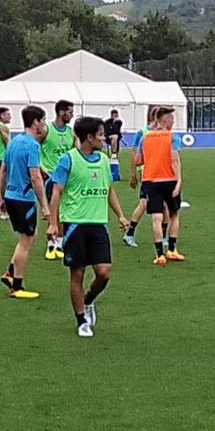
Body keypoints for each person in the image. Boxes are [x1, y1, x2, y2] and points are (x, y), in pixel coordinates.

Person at [48, 116, 128, 337]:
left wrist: (120, 215)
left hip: (99, 224)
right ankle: (81, 320)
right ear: (89, 137)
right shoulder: (68, 160)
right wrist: (53, 223)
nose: (104, 138)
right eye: (100, 134)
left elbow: (108, 189)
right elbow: (56, 192)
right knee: (78, 273)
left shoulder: (103, 160)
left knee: (104, 273)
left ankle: (88, 300)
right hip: (75, 224)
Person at [0, 105, 50, 299]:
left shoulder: (14, 142)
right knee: (26, 241)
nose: (44, 124)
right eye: (43, 120)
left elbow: (3, 171)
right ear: (35, 122)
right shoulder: (33, 145)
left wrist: (2, 195)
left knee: (30, 235)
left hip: (11, 196)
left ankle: (10, 273)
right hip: (24, 199)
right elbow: (35, 177)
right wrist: (44, 206)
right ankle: (16, 286)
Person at [137, 107, 184, 266]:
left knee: (156, 217)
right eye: (171, 119)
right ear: (164, 120)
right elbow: (174, 159)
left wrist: (153, 159)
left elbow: (138, 160)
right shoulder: (172, 137)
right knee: (174, 214)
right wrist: (179, 181)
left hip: (151, 180)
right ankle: (171, 249)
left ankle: (159, 255)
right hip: (169, 179)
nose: (173, 122)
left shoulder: (145, 138)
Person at [40, 99, 76, 260]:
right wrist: (42, 169)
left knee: (64, 212)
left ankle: (60, 243)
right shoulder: (47, 130)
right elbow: (34, 149)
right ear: (61, 112)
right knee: (52, 211)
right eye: (70, 112)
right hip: (50, 178)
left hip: (67, 178)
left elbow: (75, 152)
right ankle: (50, 244)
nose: (72, 115)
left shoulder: (70, 132)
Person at [122, 107, 160, 248]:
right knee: (144, 203)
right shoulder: (143, 133)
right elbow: (134, 153)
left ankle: (163, 236)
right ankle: (129, 233)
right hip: (148, 173)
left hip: (160, 174)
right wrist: (133, 174)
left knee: (162, 204)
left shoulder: (165, 133)